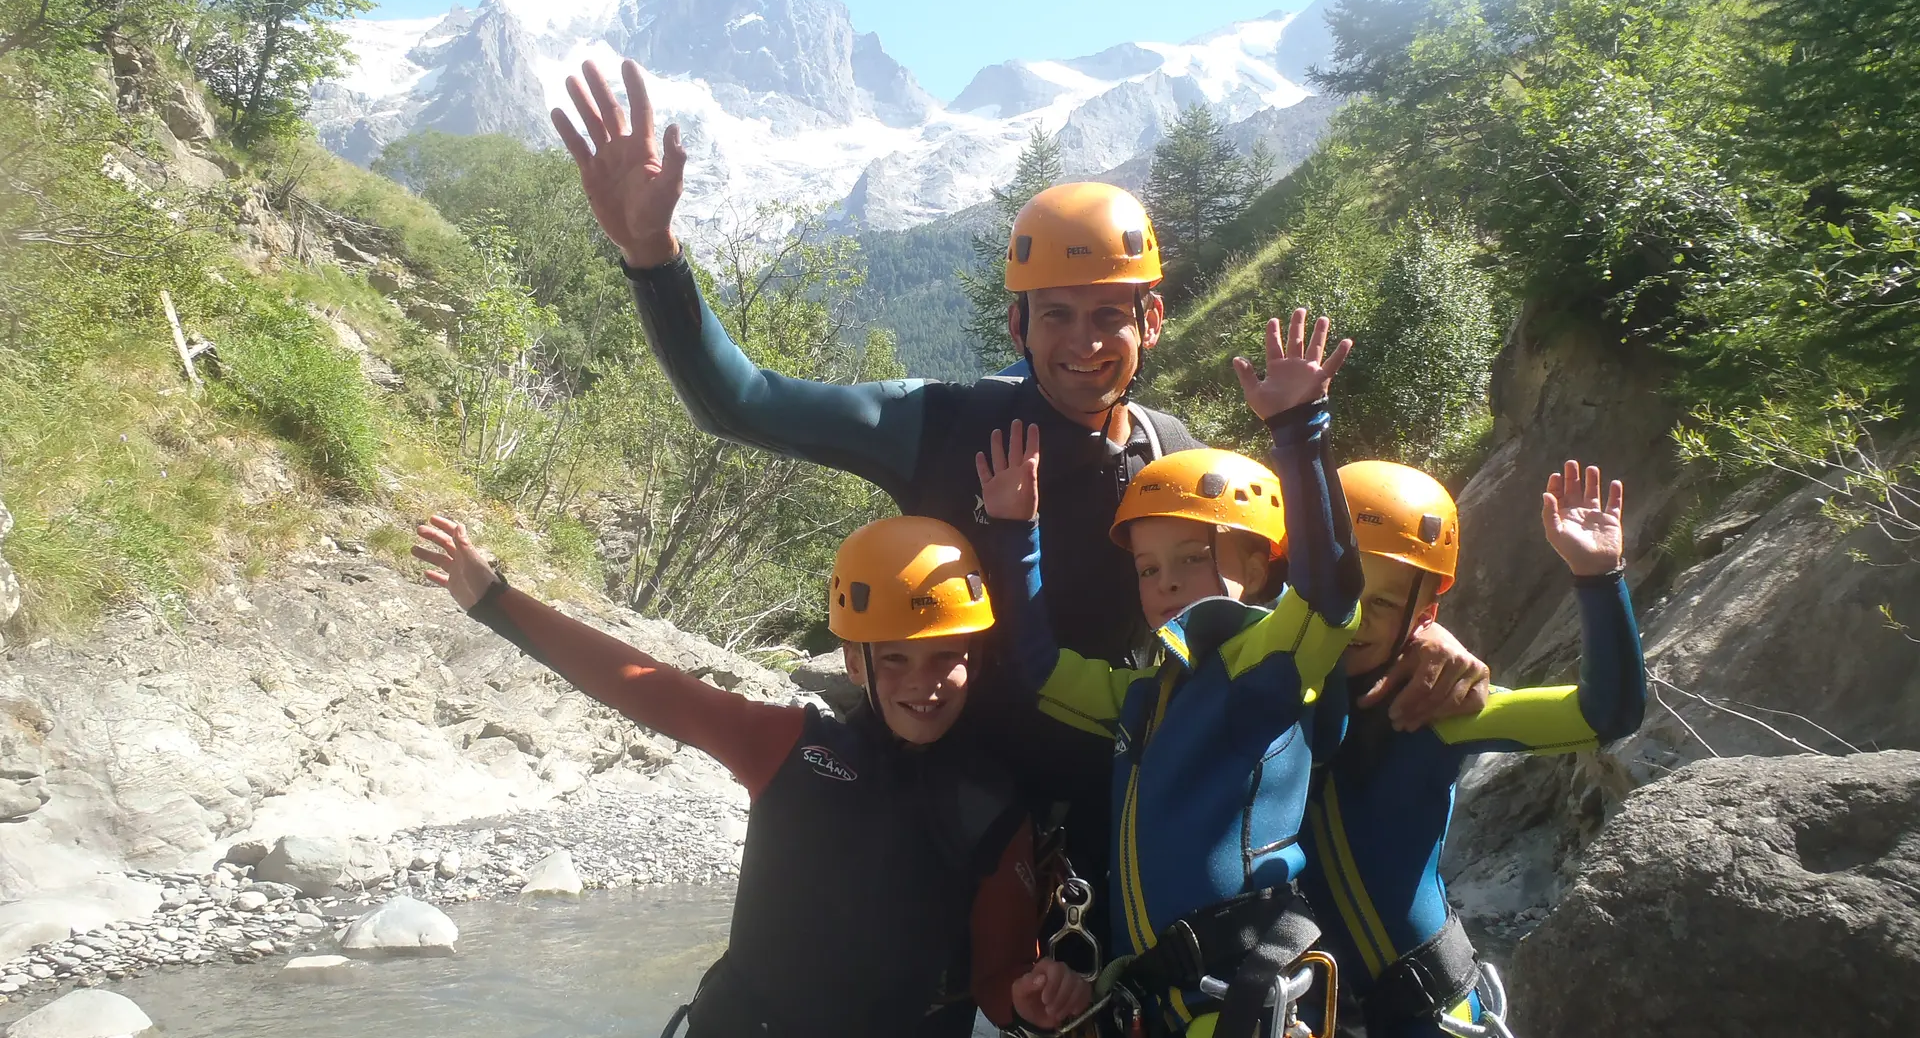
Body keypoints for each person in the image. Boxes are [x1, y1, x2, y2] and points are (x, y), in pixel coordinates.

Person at [549, 56, 1494, 932]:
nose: (1084, 341)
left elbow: (1307, 602)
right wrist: (654, 253)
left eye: (1109, 315)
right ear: (1017, 321)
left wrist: (1424, 634)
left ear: (1152, 320)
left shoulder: (1178, 458)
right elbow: (741, 403)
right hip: (961, 811)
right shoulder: (942, 426)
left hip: (1125, 817)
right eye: (1056, 315)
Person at [410, 513, 1093, 1037]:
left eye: (947, 657)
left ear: (973, 657)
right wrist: (495, 600)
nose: (927, 684)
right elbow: (645, 686)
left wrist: (1034, 997)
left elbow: (998, 978)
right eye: (896, 661)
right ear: (855, 663)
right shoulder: (789, 745)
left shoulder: (995, 808)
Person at [979, 311, 1364, 1038]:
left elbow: (1332, 592)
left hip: (1246, 995)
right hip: (1165, 999)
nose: (1167, 584)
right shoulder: (1144, 695)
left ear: (1259, 567)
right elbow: (1040, 669)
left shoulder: (1272, 659)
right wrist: (1015, 532)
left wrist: (1299, 428)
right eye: (1150, 569)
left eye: (1193, 559)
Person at [1298, 461, 1647, 1038]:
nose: (1357, 617)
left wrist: (1598, 577)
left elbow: (1607, 714)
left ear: (1424, 615)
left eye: (1385, 603)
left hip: (1432, 1009)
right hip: (1307, 1010)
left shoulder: (1438, 713)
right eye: (1347, 590)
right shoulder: (1260, 693)